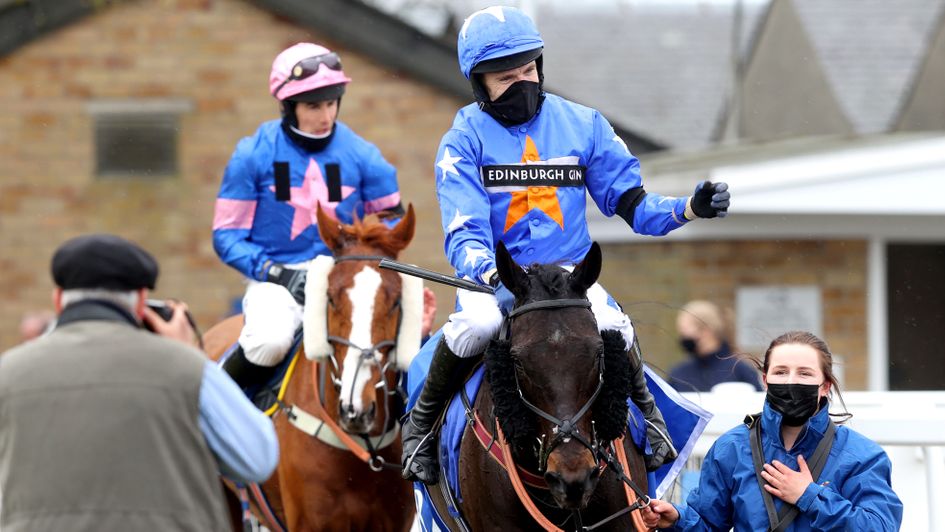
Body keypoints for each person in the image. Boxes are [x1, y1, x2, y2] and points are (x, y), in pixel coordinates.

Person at [401, 5, 732, 485]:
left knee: (614, 321)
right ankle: (422, 428)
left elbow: (634, 205)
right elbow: (465, 232)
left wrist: (688, 208)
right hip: (499, 277)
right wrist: (496, 277)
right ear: (479, 84)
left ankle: (652, 422)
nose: (522, 83)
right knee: (477, 322)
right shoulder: (462, 140)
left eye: (528, 70)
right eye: (505, 78)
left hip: (568, 278)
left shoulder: (585, 124)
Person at [0, 234, 279, 531]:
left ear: (58, 300)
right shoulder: (185, 369)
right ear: (142, 302)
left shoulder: (8, 372)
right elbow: (258, 458)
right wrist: (193, 360)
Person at [213, 42, 406, 388]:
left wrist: (369, 260)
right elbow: (226, 236)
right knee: (268, 342)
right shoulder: (251, 155)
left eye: (331, 103)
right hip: (278, 281)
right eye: (313, 106)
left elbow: (392, 222)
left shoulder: (365, 156)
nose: (326, 116)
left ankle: (417, 436)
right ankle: (212, 407)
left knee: (407, 342)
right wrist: (276, 272)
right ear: (288, 106)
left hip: (348, 276)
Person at [642, 331, 904, 530]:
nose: (791, 381)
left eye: (804, 373)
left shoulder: (862, 455)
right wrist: (676, 519)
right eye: (781, 372)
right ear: (765, 380)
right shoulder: (731, 448)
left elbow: (880, 526)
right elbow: (709, 524)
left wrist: (809, 496)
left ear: (824, 386)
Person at [669, 300, 762, 392]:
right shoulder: (678, 374)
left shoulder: (739, 370)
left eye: (684, 331)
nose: (682, 337)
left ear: (705, 331)